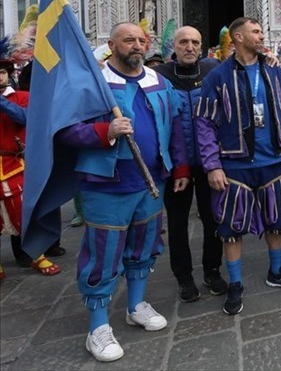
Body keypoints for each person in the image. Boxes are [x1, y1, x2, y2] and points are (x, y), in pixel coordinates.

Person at [58, 23, 190, 362]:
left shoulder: (159, 81)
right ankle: (98, 327)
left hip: (151, 183)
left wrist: (180, 167)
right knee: (103, 254)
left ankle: (135, 305)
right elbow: (67, 131)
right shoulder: (95, 84)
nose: (137, 45)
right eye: (128, 39)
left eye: (142, 40)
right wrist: (106, 130)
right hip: (107, 186)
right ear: (111, 44)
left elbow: (175, 126)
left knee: (144, 247)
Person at [195, 17, 281, 316]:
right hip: (234, 166)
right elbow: (204, 124)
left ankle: (274, 271)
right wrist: (212, 165)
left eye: (261, 31)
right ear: (238, 37)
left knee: (277, 221)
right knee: (231, 229)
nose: (261, 36)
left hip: (273, 162)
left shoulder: (274, 73)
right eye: (255, 32)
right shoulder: (216, 78)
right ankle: (235, 283)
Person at [153, 26, 226, 302]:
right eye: (184, 42)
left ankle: (212, 270)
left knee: (213, 219)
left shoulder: (213, 70)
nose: (190, 47)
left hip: (210, 162)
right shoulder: (159, 76)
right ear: (174, 45)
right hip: (176, 166)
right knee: (178, 223)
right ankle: (184, 277)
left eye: (195, 42)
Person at [0, 58, 62, 280]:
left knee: (25, 213)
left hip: (15, 165)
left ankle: (37, 255)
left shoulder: (22, 97)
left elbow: (24, 118)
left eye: (2, 72)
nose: (0, 76)